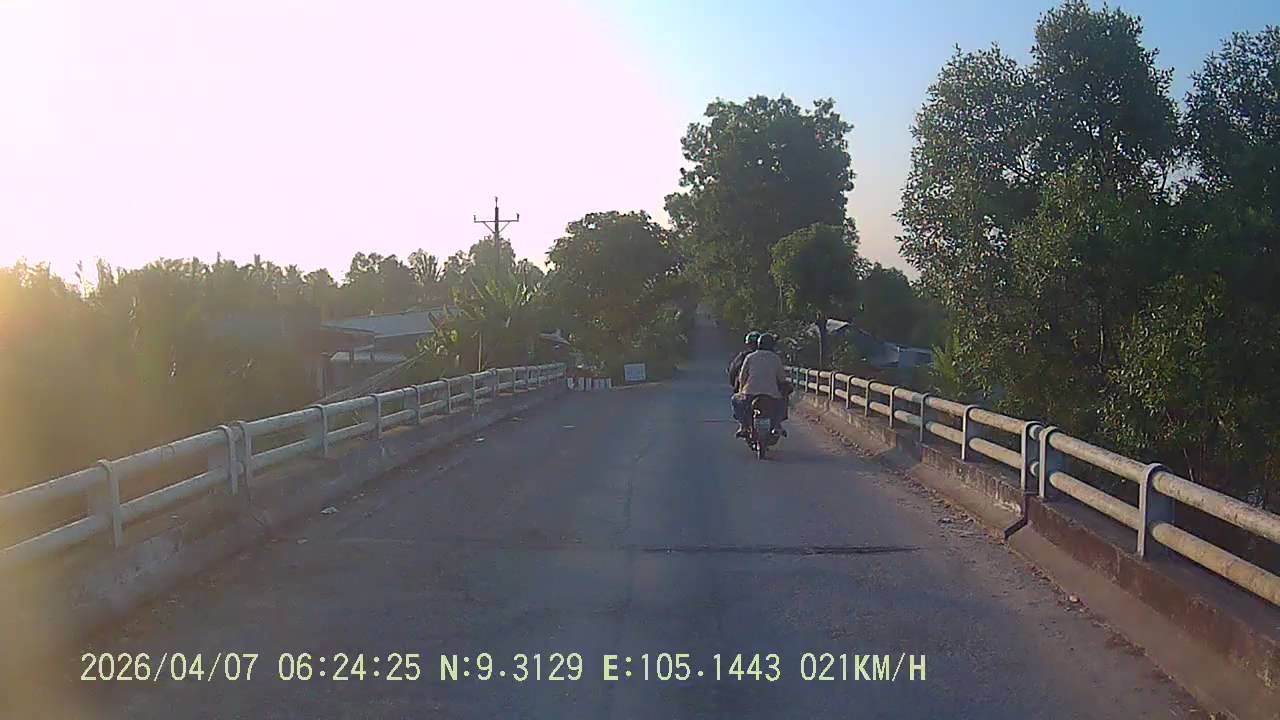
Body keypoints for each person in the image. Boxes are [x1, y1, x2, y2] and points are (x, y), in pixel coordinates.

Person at [733, 332, 790, 438]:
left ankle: (743, 426)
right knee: (783, 400)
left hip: (750, 393)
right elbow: (782, 378)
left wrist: (741, 391)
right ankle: (777, 425)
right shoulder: (776, 358)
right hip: (772, 394)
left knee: (735, 400)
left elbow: (742, 377)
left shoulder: (750, 357)